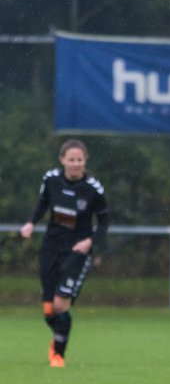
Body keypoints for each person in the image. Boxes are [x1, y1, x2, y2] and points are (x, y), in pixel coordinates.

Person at [19, 139, 110, 368]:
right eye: (71, 159)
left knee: (61, 303)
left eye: (80, 160)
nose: (76, 164)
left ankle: (58, 355)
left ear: (85, 161)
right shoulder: (50, 180)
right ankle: (58, 335)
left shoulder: (93, 189)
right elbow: (42, 204)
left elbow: (105, 221)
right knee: (49, 310)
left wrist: (90, 242)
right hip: (51, 247)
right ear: (62, 160)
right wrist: (31, 223)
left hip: (76, 251)